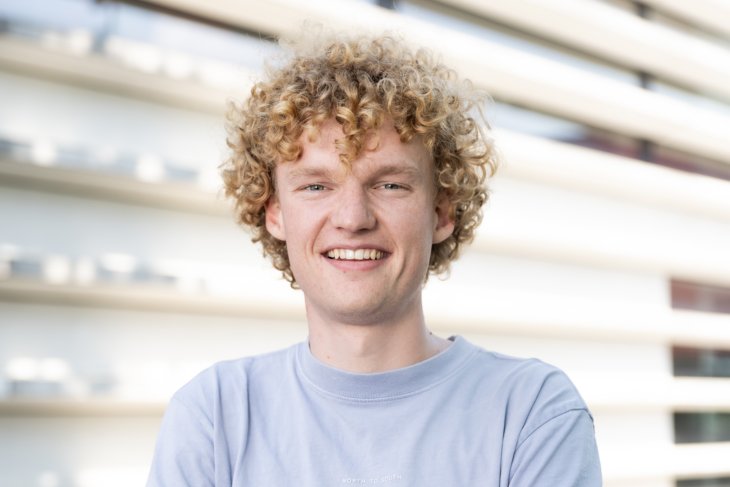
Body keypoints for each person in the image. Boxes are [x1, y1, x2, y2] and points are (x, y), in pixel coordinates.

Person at [146, 32, 602, 486]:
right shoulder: (214, 418)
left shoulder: (531, 413)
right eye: (316, 186)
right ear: (276, 213)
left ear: (442, 212)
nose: (352, 218)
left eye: (389, 184)